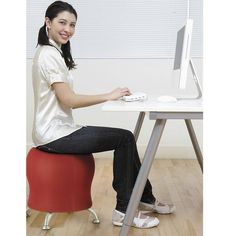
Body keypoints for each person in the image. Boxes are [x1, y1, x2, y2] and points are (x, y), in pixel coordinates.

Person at [32, 0, 175, 229]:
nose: (68, 29)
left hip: (57, 130)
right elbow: (69, 100)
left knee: (125, 137)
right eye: (62, 22)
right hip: (54, 135)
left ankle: (144, 198)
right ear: (47, 22)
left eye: (72, 24)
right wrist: (108, 95)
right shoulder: (49, 55)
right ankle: (124, 211)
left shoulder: (53, 52)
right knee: (125, 138)